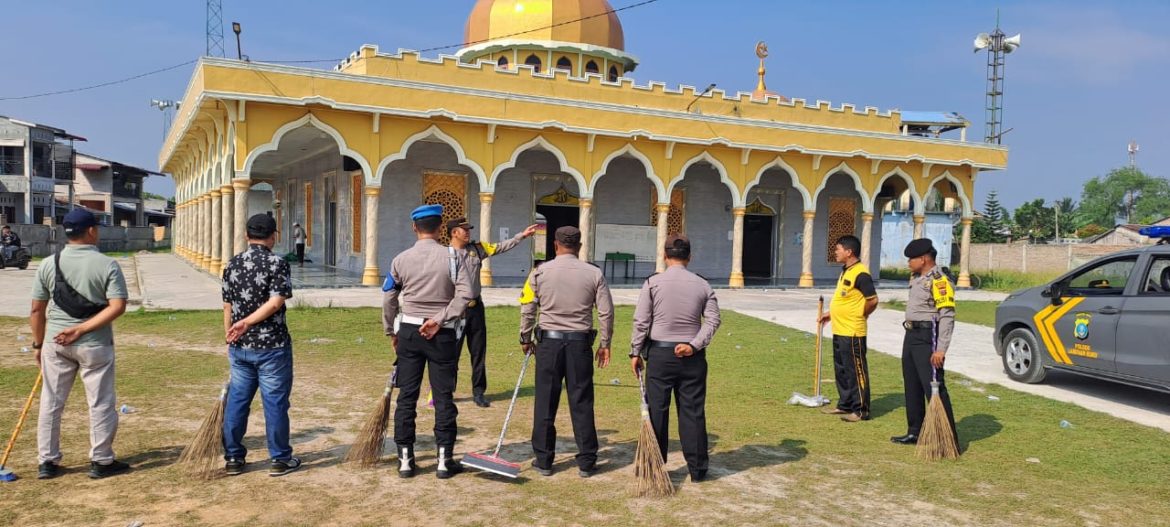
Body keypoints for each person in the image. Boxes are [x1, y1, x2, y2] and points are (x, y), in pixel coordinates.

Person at [29, 209, 129, 480]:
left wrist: (38, 345)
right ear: (92, 231)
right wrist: (83, 329)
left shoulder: (49, 263)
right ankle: (101, 460)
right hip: (95, 343)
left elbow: (37, 310)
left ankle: (47, 461)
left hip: (56, 342)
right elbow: (117, 306)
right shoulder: (108, 264)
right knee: (100, 402)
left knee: (51, 401)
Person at [382, 204, 473, 479]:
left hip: (409, 332)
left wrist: (391, 331)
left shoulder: (400, 259)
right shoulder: (454, 257)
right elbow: (465, 295)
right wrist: (441, 318)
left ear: (414, 228)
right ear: (440, 228)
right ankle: (444, 460)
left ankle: (406, 460)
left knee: (406, 397)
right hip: (441, 334)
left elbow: (388, 298)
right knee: (443, 397)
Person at [519, 226, 614, 478]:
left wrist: (525, 337)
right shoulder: (594, 274)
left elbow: (528, 307)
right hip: (579, 345)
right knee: (581, 402)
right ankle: (586, 461)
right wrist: (605, 343)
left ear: (555, 244)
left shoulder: (539, 272)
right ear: (580, 246)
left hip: (549, 344)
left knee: (545, 402)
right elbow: (605, 312)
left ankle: (544, 459)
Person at [629, 235, 720, 482]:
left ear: (665, 256)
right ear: (689, 257)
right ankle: (698, 469)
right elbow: (713, 320)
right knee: (692, 412)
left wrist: (635, 352)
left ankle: (654, 465)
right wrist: (693, 345)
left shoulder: (652, 283)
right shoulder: (702, 285)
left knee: (657, 411)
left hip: (660, 354)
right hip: (692, 357)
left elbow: (641, 321)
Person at [221, 213, 300, 477]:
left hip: (240, 346)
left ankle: (233, 457)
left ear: (246, 235)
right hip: (272, 346)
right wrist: (248, 323)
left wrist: (230, 332)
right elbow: (276, 301)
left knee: (238, 401)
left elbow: (227, 304)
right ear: (273, 236)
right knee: (275, 403)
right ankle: (279, 458)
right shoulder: (277, 263)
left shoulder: (232, 264)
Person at [446, 217, 538, 407]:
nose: (468, 232)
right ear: (454, 232)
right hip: (455, 310)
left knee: (478, 351)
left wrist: (522, 236)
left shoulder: (477, 249)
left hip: (476, 309)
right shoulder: (444, 255)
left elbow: (500, 247)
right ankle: (446, 391)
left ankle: (479, 392)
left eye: (468, 229)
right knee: (450, 353)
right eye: (464, 230)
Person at [891, 238, 959, 447]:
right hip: (911, 335)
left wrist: (941, 348)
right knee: (911, 385)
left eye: (911, 259)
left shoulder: (939, 280)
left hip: (928, 336)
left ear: (923, 258)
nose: (908, 263)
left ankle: (947, 438)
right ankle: (915, 431)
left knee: (934, 386)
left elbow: (947, 315)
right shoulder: (917, 277)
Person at [817, 235, 879, 423]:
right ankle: (845, 404)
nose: (835, 252)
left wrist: (862, 314)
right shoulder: (846, 271)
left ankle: (861, 410)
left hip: (853, 332)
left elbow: (873, 300)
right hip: (839, 329)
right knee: (842, 369)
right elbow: (846, 299)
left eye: (838, 249)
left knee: (855, 371)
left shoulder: (861, 274)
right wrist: (831, 313)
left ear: (849, 252)